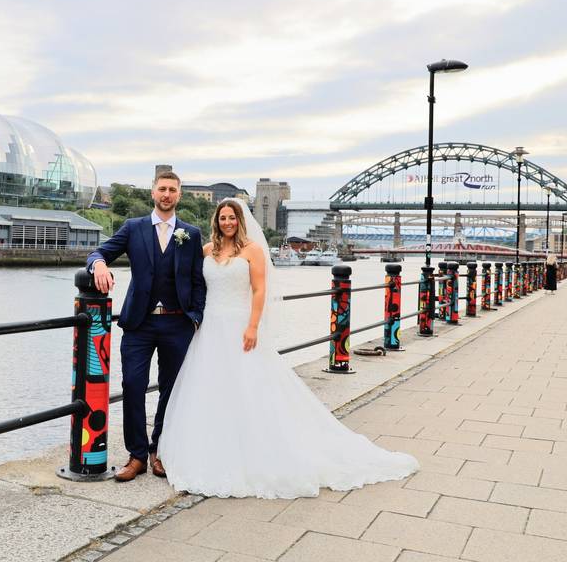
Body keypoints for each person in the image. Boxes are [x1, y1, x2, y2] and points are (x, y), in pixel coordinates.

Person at [157, 199, 418, 498]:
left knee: (248, 386)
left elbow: (259, 290)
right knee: (211, 388)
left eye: (231, 218)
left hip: (240, 326)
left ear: (240, 220)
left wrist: (253, 326)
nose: (226, 222)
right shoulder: (206, 251)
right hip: (209, 329)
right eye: (222, 218)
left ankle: (251, 449)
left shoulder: (252, 249)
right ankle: (210, 446)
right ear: (216, 221)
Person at [86, 171, 206, 482]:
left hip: (178, 323)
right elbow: (100, 252)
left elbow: (197, 281)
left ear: (179, 195)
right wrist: (98, 265)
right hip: (139, 324)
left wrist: (195, 317)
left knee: (171, 390)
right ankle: (137, 455)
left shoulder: (191, 234)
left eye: (172, 190)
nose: (167, 194)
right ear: (153, 193)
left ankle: (159, 451)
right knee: (133, 386)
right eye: (162, 189)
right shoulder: (133, 228)